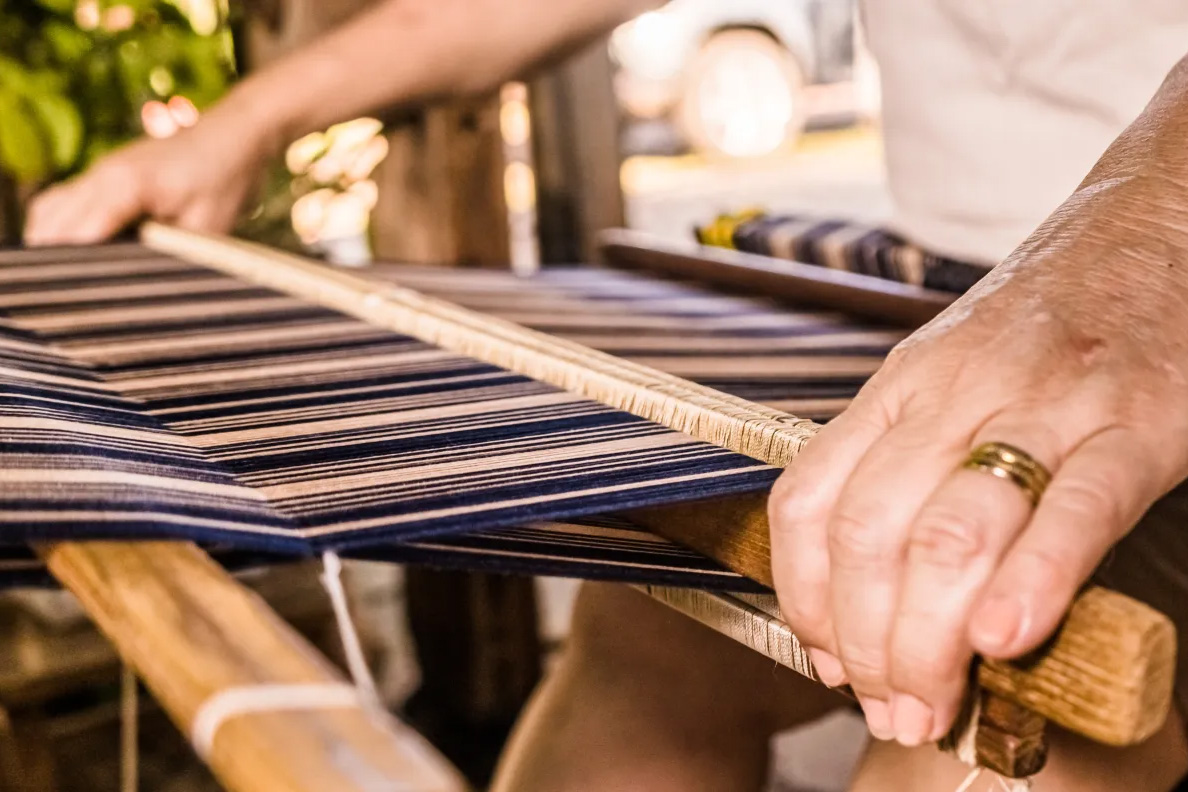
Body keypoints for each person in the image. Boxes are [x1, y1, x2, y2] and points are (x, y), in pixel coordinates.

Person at [25, 1, 1188, 789]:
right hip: (936, 301)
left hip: (1140, 314)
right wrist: (244, 125)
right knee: (648, 653)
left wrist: (1147, 249)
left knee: (979, 730)